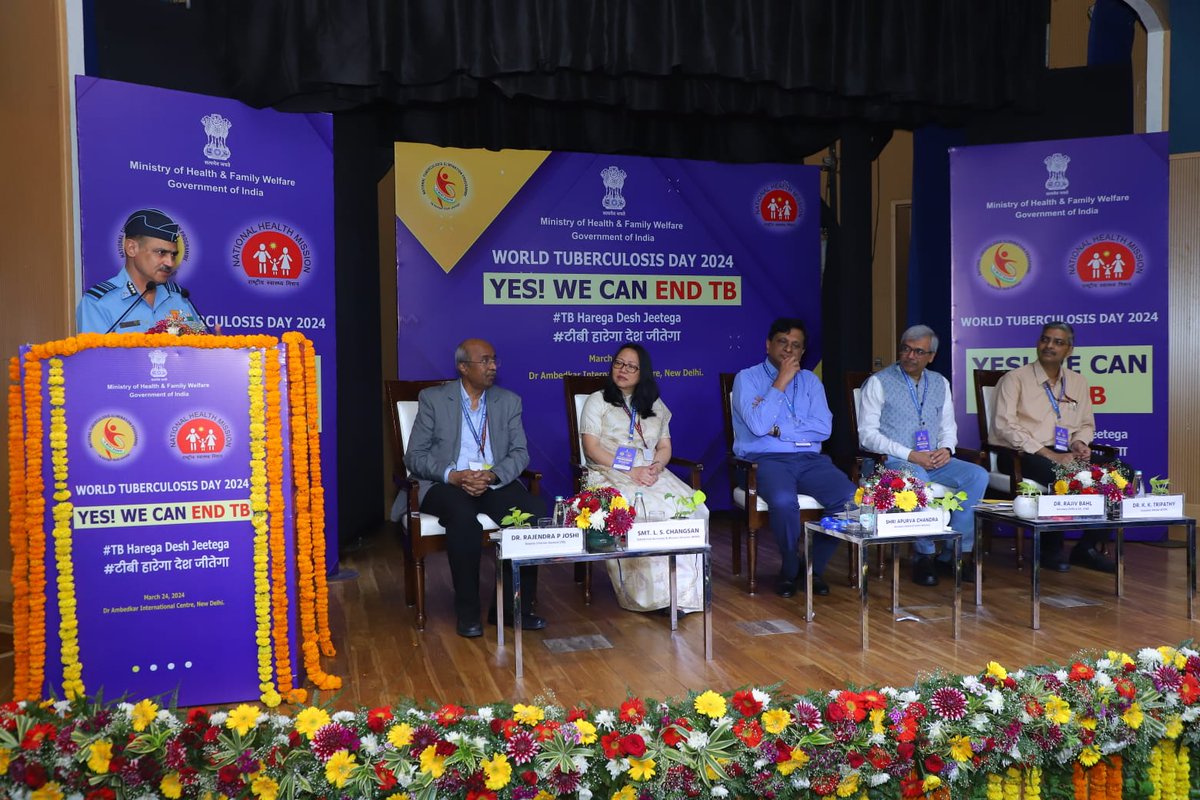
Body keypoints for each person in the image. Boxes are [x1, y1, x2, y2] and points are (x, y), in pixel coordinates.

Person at [404, 338, 548, 637]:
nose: (493, 366)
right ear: (463, 367)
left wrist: (493, 476)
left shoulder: (508, 401)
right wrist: (453, 475)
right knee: (462, 520)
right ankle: (467, 612)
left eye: (494, 360)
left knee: (532, 514)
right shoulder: (433, 399)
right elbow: (414, 456)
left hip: (492, 481)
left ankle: (512, 609)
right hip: (447, 483)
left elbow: (520, 452)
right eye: (485, 360)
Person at [732, 317, 857, 597]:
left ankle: (813, 566)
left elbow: (824, 429)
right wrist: (781, 382)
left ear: (803, 352)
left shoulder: (811, 381)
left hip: (810, 460)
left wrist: (779, 430)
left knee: (851, 501)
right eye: (782, 343)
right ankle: (789, 566)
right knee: (783, 501)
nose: (789, 351)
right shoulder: (747, 378)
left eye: (796, 346)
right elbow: (757, 426)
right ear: (768, 345)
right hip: (764, 461)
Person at [857, 325, 989, 585]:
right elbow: (867, 436)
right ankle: (924, 554)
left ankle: (957, 553)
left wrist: (947, 449)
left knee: (977, 475)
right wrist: (910, 454)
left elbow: (948, 427)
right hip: (893, 461)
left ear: (931, 356)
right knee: (916, 476)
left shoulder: (940, 382)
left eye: (919, 351)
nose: (910, 356)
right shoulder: (879, 382)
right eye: (906, 349)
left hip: (933, 459)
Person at [580, 343, 707, 613]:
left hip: (650, 471)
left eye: (631, 366)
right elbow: (591, 449)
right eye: (618, 363)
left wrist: (656, 468)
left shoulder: (655, 405)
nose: (623, 370)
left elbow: (664, 448)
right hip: (608, 470)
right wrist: (631, 471)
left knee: (691, 508)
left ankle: (684, 594)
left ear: (643, 372)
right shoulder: (598, 400)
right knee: (644, 510)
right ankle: (652, 598)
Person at [992, 321, 1114, 572]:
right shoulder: (1014, 379)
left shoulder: (1078, 382)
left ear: (1069, 350)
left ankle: (1086, 548)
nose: (1049, 346)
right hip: (1020, 453)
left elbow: (1085, 423)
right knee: (1061, 472)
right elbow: (1005, 426)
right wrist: (1049, 454)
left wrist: (1080, 442)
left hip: (1063, 451)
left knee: (1118, 472)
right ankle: (1050, 549)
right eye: (1045, 339)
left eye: (1058, 342)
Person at [76, 208, 205, 334]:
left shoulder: (180, 298)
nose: (170, 263)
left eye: (173, 255)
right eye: (161, 252)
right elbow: (95, 356)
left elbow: (197, 348)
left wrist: (214, 351)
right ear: (131, 248)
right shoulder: (99, 303)